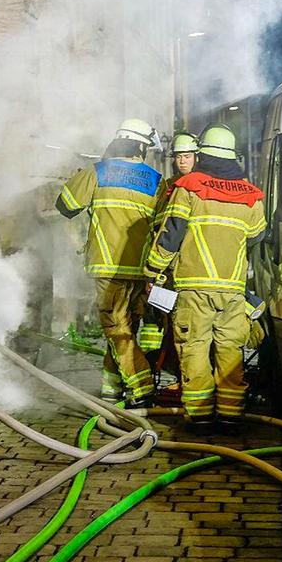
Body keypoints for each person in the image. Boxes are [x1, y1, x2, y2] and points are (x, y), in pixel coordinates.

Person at [145, 125, 266, 432]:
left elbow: (171, 235)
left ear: (203, 155)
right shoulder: (252, 197)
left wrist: (153, 271)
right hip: (233, 290)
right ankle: (230, 416)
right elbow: (257, 236)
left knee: (195, 349)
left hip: (194, 288)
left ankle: (199, 417)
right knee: (230, 351)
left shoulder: (189, 188)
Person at [56, 118, 163, 407]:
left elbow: (64, 206)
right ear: (141, 146)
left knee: (117, 331)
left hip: (108, 266)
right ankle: (111, 390)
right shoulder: (156, 180)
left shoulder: (98, 172)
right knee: (124, 331)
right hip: (142, 271)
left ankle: (142, 388)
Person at [138, 133, 199, 395]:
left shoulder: (199, 187)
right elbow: (159, 226)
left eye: (186, 156)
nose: (182, 161)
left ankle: (184, 379)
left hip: (191, 269)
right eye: (178, 157)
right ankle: (161, 370)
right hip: (167, 271)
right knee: (163, 325)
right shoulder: (169, 187)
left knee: (187, 331)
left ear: (197, 157)